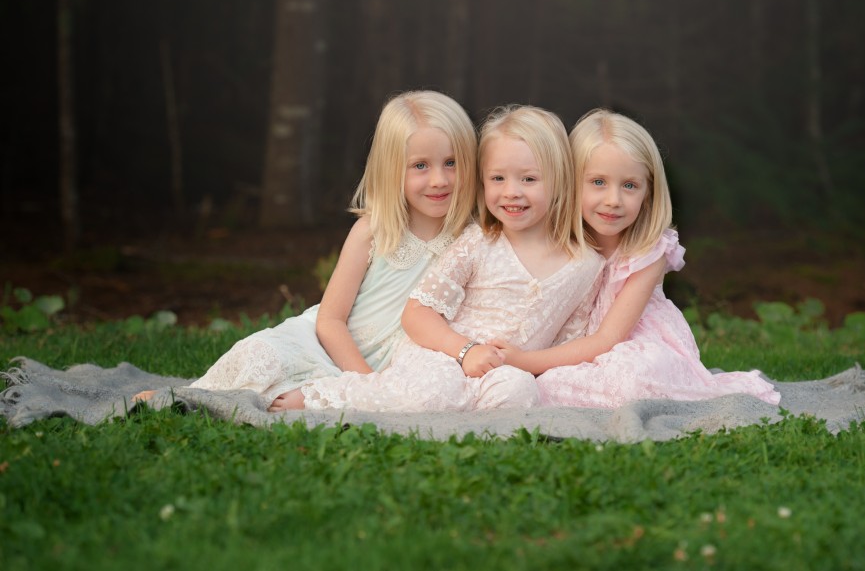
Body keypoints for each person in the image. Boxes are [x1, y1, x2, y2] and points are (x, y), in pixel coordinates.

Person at [132, 90, 477, 407]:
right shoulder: (374, 231)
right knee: (262, 355)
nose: (439, 180)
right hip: (331, 348)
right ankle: (193, 395)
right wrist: (364, 379)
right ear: (391, 170)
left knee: (299, 398)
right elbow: (330, 320)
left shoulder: (474, 238)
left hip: (403, 362)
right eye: (420, 166)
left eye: (451, 163)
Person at [272, 105, 604, 412]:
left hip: (504, 370)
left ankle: (461, 430)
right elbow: (417, 313)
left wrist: (525, 364)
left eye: (529, 179)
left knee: (518, 393)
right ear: (483, 179)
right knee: (436, 391)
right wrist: (465, 350)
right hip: (441, 354)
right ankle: (325, 398)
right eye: (497, 178)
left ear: (561, 179)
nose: (511, 192)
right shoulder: (479, 241)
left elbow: (571, 337)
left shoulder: (586, 265)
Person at [501, 109, 781, 407]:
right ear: (570, 183)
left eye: (629, 186)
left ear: (648, 193)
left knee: (630, 378)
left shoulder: (648, 250)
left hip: (637, 345)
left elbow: (609, 339)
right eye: (598, 182)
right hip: (575, 343)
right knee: (548, 384)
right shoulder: (560, 241)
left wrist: (526, 361)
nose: (613, 200)